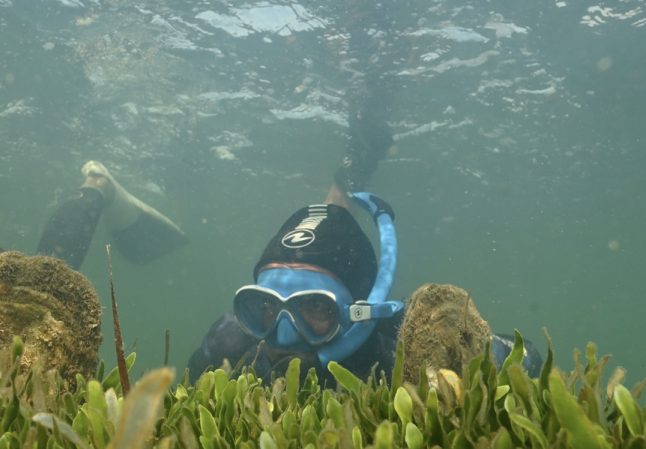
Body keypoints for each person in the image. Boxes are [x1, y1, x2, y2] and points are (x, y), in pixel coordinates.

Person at [187, 112, 543, 387]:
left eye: (315, 306)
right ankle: (348, 177)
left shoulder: (394, 353)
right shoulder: (234, 342)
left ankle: (349, 173)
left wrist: (464, 339)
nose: (283, 336)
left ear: (360, 312)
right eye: (266, 304)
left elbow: (529, 358)